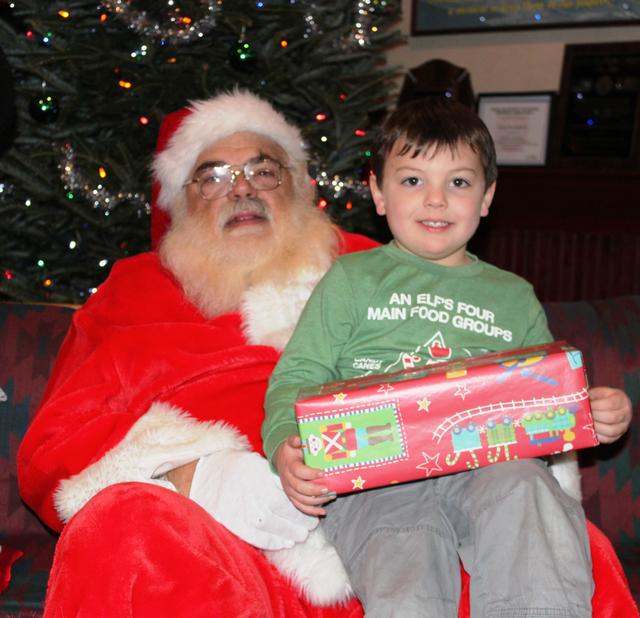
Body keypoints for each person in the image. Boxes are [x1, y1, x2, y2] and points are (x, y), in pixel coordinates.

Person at [16, 90, 634, 617]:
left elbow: (520, 374)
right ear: (178, 198)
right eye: (213, 175)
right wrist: (199, 475)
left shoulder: (381, 256)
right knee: (123, 532)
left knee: (551, 527)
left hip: (413, 502)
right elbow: (57, 446)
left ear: (299, 184)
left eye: (264, 169)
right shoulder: (130, 291)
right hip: (221, 542)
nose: (243, 191)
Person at [263, 98, 636, 617]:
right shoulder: (351, 279)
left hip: (489, 465)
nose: (435, 200)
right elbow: (298, 375)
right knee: (406, 567)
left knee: (528, 492)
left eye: (458, 183)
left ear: (487, 198)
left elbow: (545, 398)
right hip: (377, 477)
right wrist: (286, 445)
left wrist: (590, 414)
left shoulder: (512, 295)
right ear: (377, 191)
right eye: (413, 181)